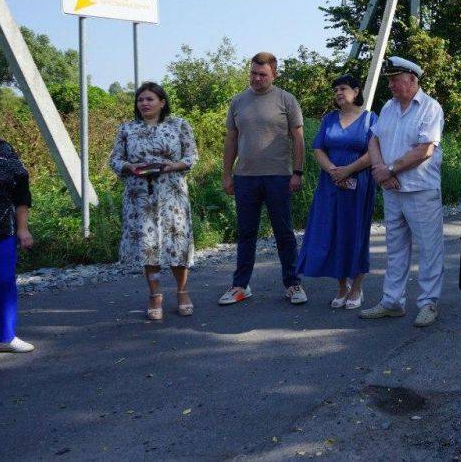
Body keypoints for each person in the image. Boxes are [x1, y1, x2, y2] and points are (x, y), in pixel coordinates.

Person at [360, 56, 445, 327]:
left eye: (395, 79)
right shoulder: (388, 107)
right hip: (392, 189)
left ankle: (428, 303)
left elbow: (425, 149)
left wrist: (391, 169)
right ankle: (392, 302)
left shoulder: (430, 108)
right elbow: (374, 139)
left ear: (412, 79)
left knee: (430, 249)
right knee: (395, 249)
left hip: (420, 190)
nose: (391, 85)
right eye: (389, 80)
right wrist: (380, 170)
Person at [219, 52, 307, 307]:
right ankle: (240, 285)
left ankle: (292, 284)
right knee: (246, 233)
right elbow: (231, 140)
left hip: (278, 176)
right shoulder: (238, 101)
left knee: (284, 233)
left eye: (262, 74)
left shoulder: (286, 100)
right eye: (253, 73)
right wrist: (226, 174)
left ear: (274, 74)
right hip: (245, 177)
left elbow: (298, 139)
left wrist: (297, 172)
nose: (256, 79)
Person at [109, 83, 199, 320]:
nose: (144, 104)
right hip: (139, 195)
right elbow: (115, 160)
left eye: (149, 99)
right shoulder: (127, 129)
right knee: (148, 245)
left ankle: (182, 292)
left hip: (172, 193)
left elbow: (191, 156)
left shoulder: (179, 125)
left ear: (162, 102)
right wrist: (129, 166)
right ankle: (155, 295)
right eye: (140, 100)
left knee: (176, 242)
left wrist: (174, 165)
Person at [297, 75, 376, 310]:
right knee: (332, 233)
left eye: (342, 88)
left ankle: (357, 288)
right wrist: (334, 172)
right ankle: (342, 287)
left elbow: (374, 153)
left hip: (358, 184)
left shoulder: (370, 118)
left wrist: (348, 171)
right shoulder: (330, 119)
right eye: (335, 90)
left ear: (356, 90)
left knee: (355, 233)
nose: (338, 93)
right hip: (330, 184)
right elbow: (318, 149)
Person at [0, 101, 34, 353]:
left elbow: (21, 192)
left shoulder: (4, 151)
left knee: (2, 283)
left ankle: (4, 338)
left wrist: (23, 228)